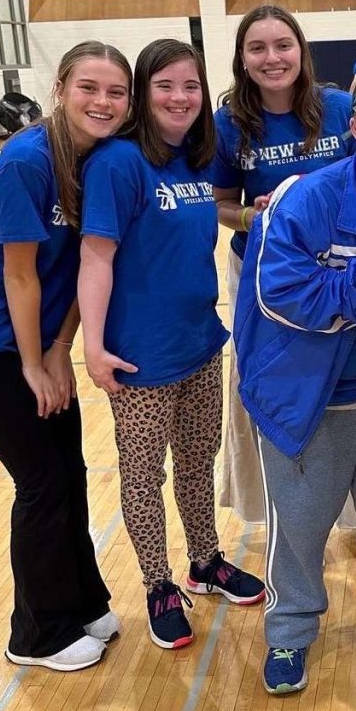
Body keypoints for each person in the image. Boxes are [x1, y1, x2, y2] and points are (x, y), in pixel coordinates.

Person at [0, 42, 132, 672]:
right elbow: (21, 275)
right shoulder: (26, 161)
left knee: (68, 471)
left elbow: (79, 267)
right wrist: (31, 364)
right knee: (41, 482)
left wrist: (58, 348)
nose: (103, 102)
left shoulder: (102, 159)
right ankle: (36, 632)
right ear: (61, 88)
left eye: (116, 92)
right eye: (89, 88)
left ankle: (81, 600)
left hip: (38, 340)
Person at [235, 63, 356, 696]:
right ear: (354, 128)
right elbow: (274, 290)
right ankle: (290, 629)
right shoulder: (304, 198)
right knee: (300, 522)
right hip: (304, 397)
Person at [79, 38, 265, 652]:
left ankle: (205, 560)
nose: (180, 97)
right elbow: (96, 257)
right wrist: (95, 346)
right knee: (142, 476)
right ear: (141, 93)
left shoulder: (196, 157)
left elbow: (214, 214)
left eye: (191, 86)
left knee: (196, 461)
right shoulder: (118, 163)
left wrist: (249, 215)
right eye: (165, 86)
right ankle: (158, 583)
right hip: (140, 357)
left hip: (201, 344)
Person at [213, 5, 355, 525]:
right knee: (274, 385)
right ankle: (283, 511)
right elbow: (220, 203)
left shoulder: (340, 109)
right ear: (242, 59)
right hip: (264, 276)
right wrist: (250, 216)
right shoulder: (228, 124)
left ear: (301, 51)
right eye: (258, 48)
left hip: (344, 272)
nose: (272, 58)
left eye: (283, 45)